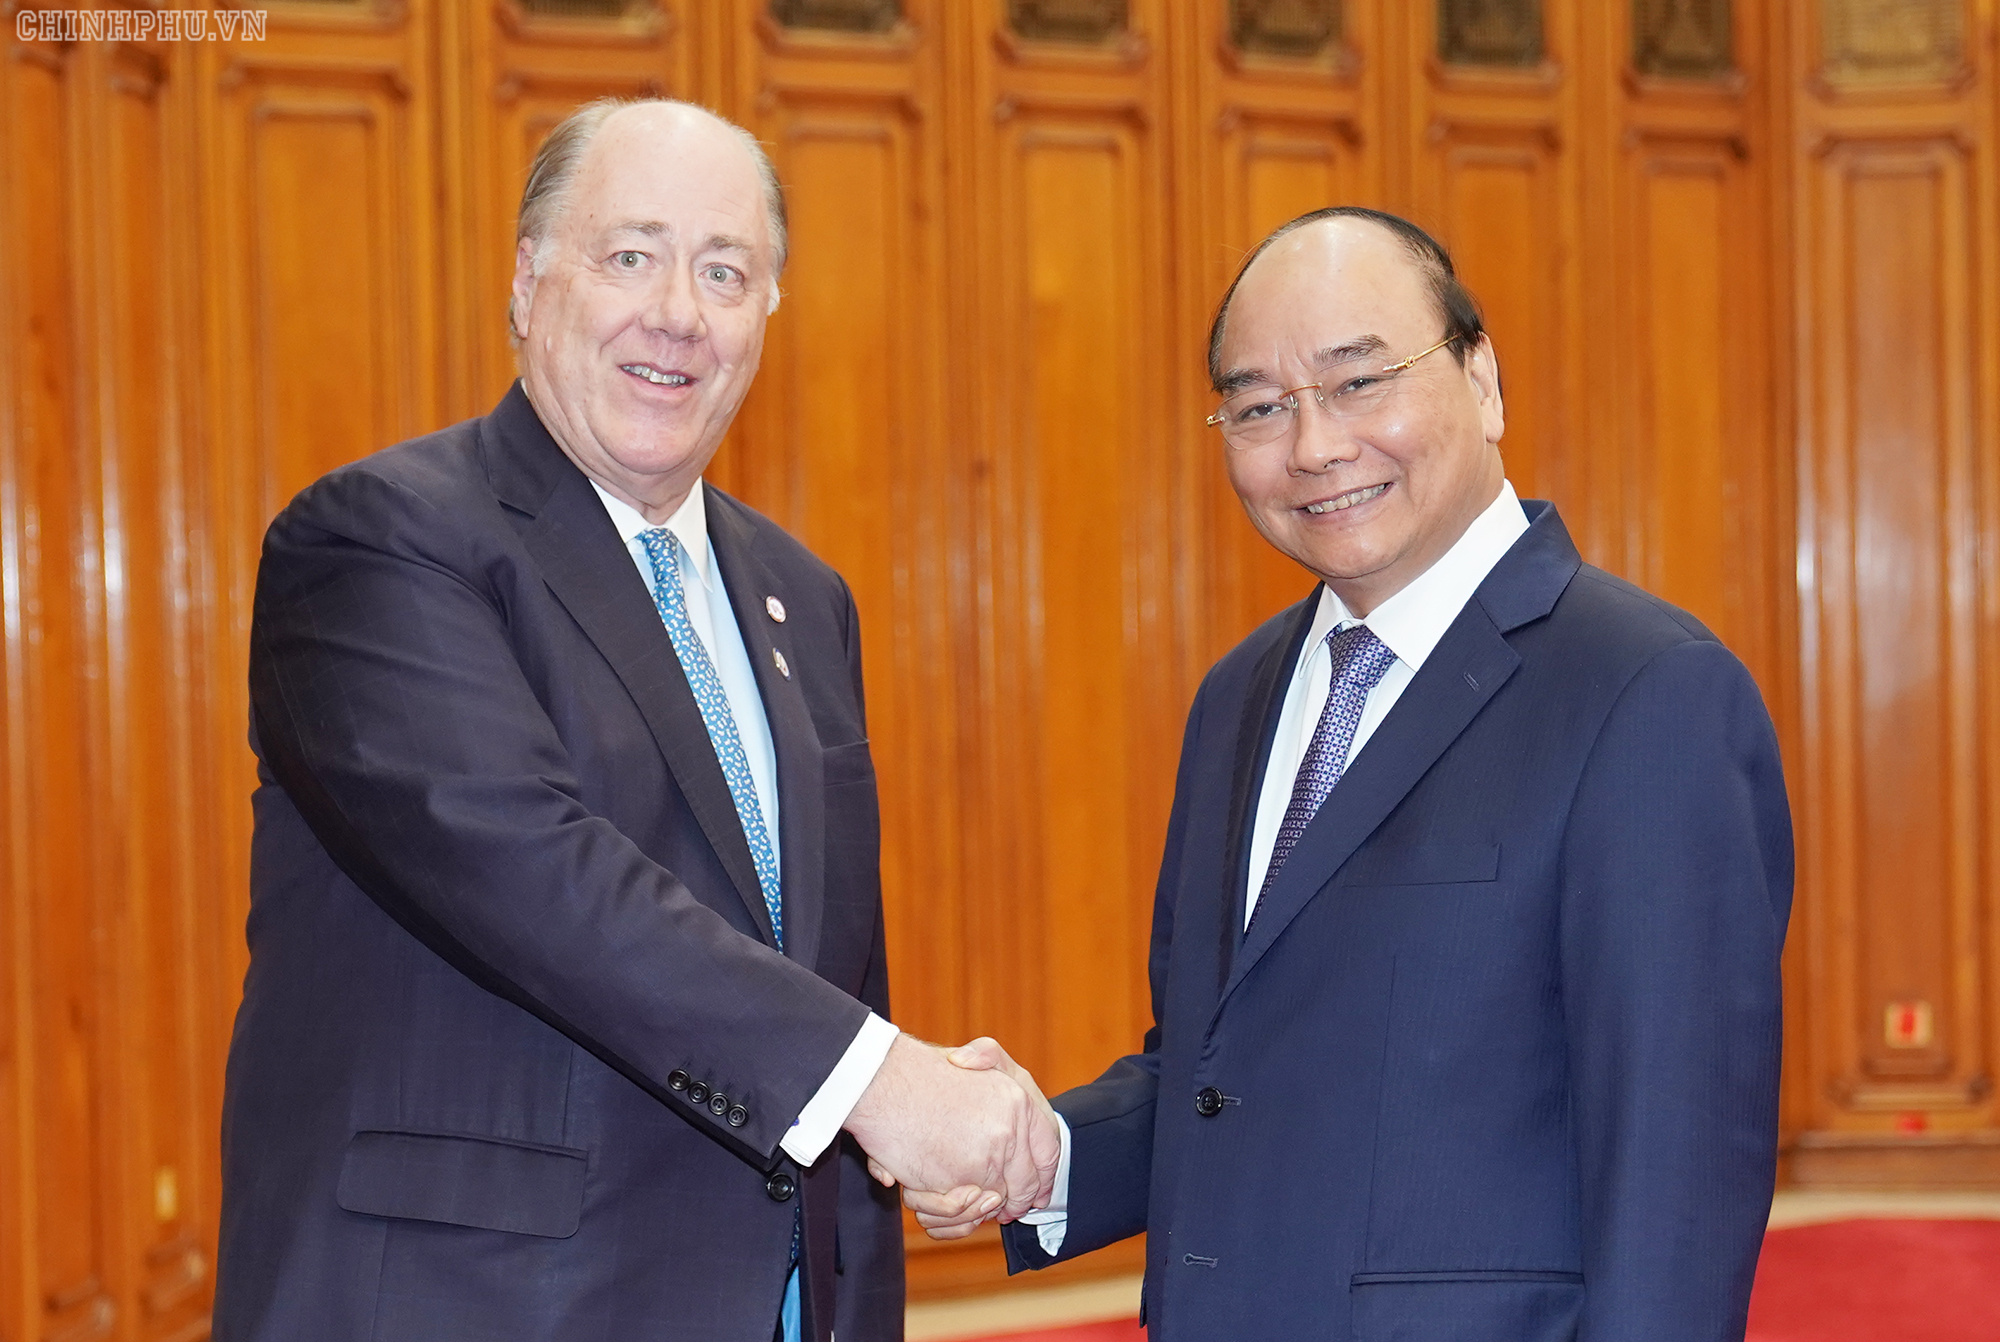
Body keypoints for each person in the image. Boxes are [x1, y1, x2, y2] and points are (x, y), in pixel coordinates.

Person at [214, 97, 1056, 1342]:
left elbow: (828, 965)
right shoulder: (382, 541)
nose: (677, 313)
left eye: (725, 272)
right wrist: (880, 1080)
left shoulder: (801, 594)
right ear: (527, 281)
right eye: (629, 256)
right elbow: (532, 875)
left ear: (765, 316)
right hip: (473, 1305)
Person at [918, 207, 1793, 1340]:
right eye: (1258, 407)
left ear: (1482, 380)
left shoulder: (1645, 693)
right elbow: (1227, 1064)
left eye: (1357, 381)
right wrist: (1046, 1154)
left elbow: (1674, 1179)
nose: (1313, 446)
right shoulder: (1238, 694)